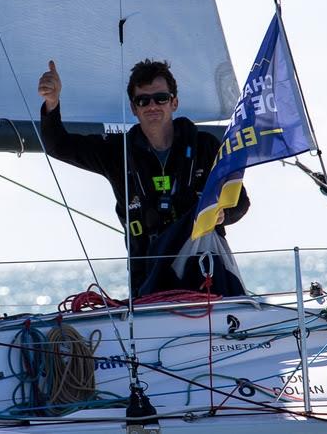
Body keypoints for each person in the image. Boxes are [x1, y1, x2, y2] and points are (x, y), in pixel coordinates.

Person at [38, 59, 249, 297]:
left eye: (160, 98)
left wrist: (223, 214)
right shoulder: (118, 153)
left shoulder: (205, 146)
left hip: (205, 273)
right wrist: (52, 103)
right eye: (143, 100)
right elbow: (58, 145)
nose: (152, 106)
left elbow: (240, 202)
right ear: (134, 107)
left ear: (174, 102)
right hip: (148, 279)